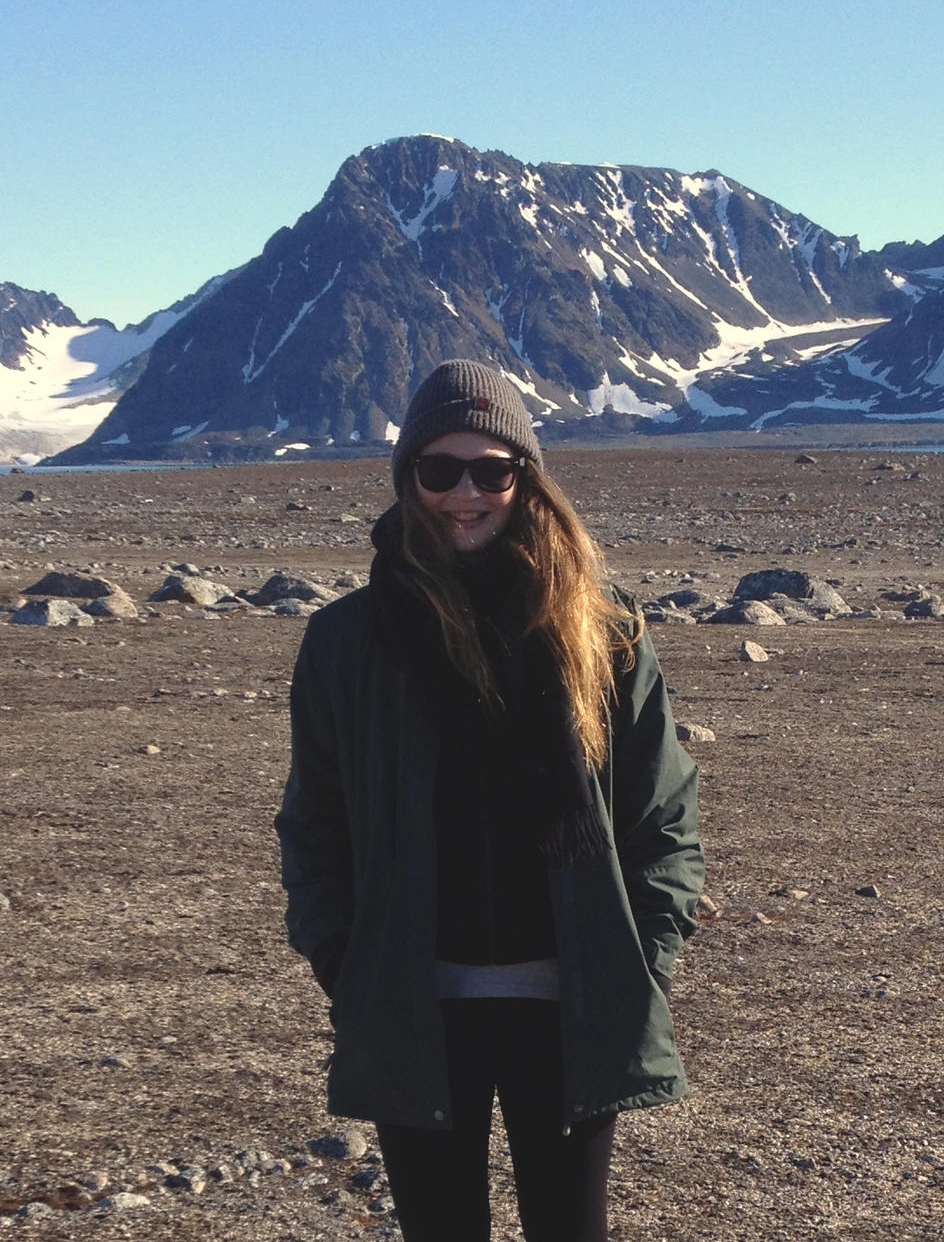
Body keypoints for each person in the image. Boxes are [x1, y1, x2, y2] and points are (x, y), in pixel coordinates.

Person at [276, 359, 705, 1242]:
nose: (464, 493)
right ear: (409, 478)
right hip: (415, 1007)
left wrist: (643, 960)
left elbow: (662, 813)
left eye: (491, 470)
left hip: (573, 1002)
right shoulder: (347, 641)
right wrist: (346, 964)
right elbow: (314, 825)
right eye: (440, 469)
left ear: (526, 479)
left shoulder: (602, 628)